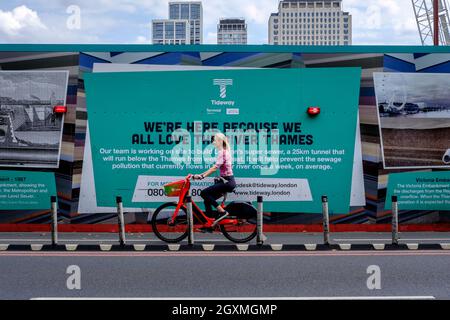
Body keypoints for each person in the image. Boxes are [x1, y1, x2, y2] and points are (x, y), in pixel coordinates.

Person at [193, 132, 236, 231]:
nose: (213, 142)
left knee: (204, 193)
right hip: (227, 181)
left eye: (214, 140)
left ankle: (222, 212)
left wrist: (202, 176)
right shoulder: (225, 151)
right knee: (207, 198)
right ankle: (209, 224)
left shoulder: (222, 152)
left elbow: (214, 168)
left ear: (220, 141)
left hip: (227, 182)